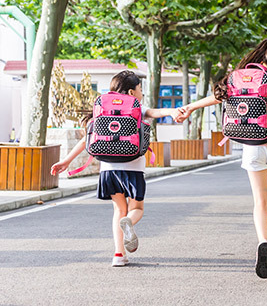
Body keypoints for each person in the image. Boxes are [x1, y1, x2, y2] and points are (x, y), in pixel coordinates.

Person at [176, 35, 267, 279]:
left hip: (252, 146)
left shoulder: (242, 80)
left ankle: (262, 241)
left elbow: (217, 96)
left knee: (260, 201)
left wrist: (190, 108)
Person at [50, 70, 182, 267]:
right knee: (135, 208)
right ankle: (129, 221)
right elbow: (157, 112)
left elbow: (87, 139)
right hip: (134, 168)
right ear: (131, 91)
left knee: (118, 209)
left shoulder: (102, 108)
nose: (141, 94)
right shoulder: (136, 107)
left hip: (108, 169)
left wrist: (66, 161)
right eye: (139, 89)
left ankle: (118, 255)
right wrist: (173, 111)